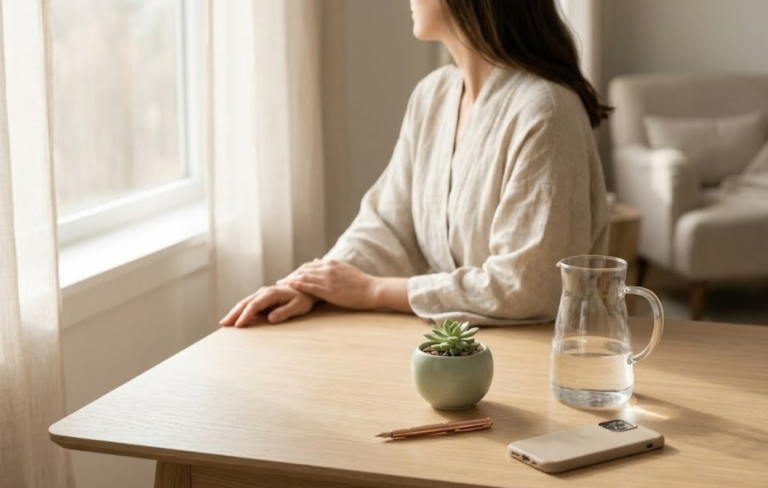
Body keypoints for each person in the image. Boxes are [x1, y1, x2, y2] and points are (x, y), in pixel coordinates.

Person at [221, 0, 611, 328]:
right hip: (450, 355)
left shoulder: (546, 110)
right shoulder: (434, 95)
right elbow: (388, 224)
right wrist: (312, 285)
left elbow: (529, 286)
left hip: (539, 363)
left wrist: (375, 291)